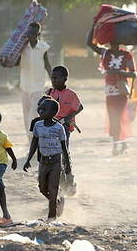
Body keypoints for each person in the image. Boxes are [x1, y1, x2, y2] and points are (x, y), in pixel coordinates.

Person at [86, 25, 137, 156]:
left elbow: (134, 74)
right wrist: (94, 25)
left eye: (115, 41)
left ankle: (119, 144)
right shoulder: (106, 53)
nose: (112, 43)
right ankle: (119, 144)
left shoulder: (126, 55)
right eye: (111, 41)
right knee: (113, 117)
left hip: (121, 89)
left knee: (119, 116)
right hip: (109, 90)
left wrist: (120, 72)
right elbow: (89, 44)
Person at [23, 99, 71, 222]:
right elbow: (34, 142)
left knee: (52, 189)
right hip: (43, 162)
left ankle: (52, 216)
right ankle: (57, 201)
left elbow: (64, 147)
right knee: (42, 187)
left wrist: (67, 165)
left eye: (44, 109)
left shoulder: (59, 128)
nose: (40, 111)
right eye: (40, 109)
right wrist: (28, 159)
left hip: (56, 161)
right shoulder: (38, 125)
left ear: (54, 112)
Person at [46, 65, 82, 196]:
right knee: (53, 155)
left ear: (65, 78)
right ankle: (60, 183)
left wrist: (67, 118)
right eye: (52, 78)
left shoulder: (71, 95)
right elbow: (43, 107)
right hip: (50, 128)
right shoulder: (50, 93)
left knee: (64, 154)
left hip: (64, 128)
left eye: (56, 78)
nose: (53, 80)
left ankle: (70, 180)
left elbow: (80, 107)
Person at [19, 22, 52, 141]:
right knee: (26, 112)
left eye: (34, 32)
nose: (31, 35)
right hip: (25, 84)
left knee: (34, 111)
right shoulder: (22, 47)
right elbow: (15, 62)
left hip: (38, 85)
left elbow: (47, 65)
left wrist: (53, 80)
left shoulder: (43, 47)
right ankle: (29, 138)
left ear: (38, 33)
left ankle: (33, 136)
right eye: (29, 32)